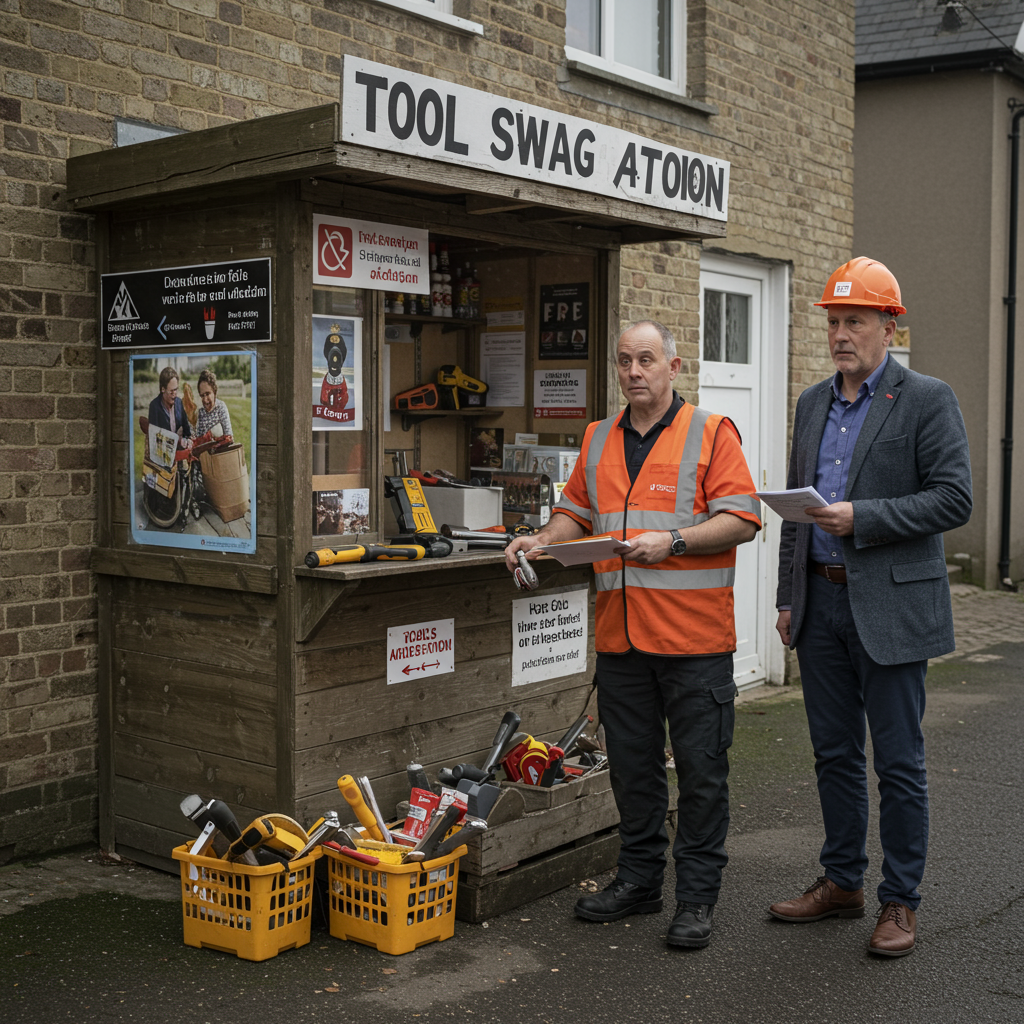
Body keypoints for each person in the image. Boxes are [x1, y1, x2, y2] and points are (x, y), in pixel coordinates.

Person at [506, 320, 761, 949]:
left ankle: (696, 897)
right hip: (621, 641)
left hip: (695, 643)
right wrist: (541, 539)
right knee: (632, 770)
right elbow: (574, 512)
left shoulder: (711, 431)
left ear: (674, 367)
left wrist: (672, 541)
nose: (634, 371)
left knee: (701, 773)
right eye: (624, 361)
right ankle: (641, 881)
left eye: (646, 359)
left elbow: (742, 518)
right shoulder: (598, 437)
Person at [769, 258, 972, 957]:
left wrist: (866, 518)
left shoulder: (927, 399)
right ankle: (842, 882)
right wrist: (786, 597)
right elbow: (796, 513)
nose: (840, 334)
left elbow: (954, 498)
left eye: (854, 321)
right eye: (833, 322)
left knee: (899, 762)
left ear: (890, 326)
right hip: (819, 603)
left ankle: (900, 900)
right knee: (833, 754)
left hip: (891, 608)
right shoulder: (811, 404)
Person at [148, 366, 192, 443]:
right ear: (163, 389)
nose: (174, 394)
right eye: (171, 391)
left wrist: (186, 440)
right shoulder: (154, 406)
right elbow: (153, 437)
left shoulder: (179, 403)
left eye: (176, 390)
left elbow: (187, 430)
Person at [194, 367, 233, 440]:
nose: (205, 399)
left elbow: (229, 436)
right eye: (202, 396)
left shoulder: (221, 407)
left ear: (214, 392)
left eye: (207, 394)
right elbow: (199, 437)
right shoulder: (201, 412)